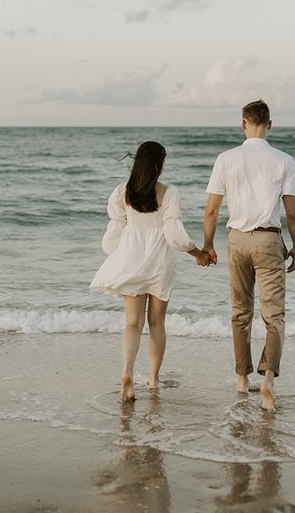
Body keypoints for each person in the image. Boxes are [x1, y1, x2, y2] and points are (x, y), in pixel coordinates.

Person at [202, 100, 295, 411]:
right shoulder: (283, 160)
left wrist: (208, 244)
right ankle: (267, 380)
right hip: (268, 240)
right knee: (274, 316)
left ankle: (242, 380)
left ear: (243, 123)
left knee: (239, 313)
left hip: (237, 241)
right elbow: (293, 212)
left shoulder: (226, 159)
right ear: (270, 124)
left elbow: (212, 210)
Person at [90, 141, 209, 402]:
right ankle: (153, 380)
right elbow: (174, 234)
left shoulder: (123, 192)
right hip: (159, 262)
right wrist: (197, 253)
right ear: (159, 165)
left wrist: (116, 254)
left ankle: (127, 373)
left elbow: (115, 230)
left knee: (132, 323)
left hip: (131, 258)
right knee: (156, 323)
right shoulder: (168, 193)